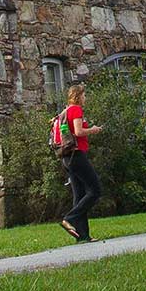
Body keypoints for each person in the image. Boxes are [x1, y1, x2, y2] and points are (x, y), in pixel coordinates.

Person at [59, 83, 104, 243]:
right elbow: (78, 132)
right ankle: (69, 218)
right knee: (95, 190)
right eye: (84, 95)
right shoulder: (76, 109)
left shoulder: (65, 111)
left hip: (66, 157)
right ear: (78, 96)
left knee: (79, 195)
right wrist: (93, 129)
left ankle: (83, 236)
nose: (85, 98)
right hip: (77, 155)